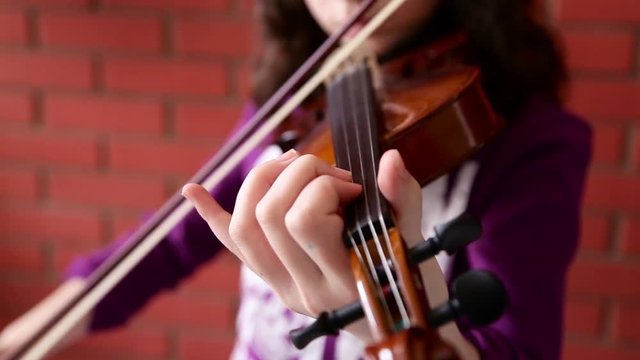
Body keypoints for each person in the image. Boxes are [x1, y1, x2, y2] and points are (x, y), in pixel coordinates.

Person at [0, 0, 592, 359]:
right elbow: (167, 244)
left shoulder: (527, 138)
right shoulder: (296, 105)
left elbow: (519, 347)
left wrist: (396, 323)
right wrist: (31, 334)